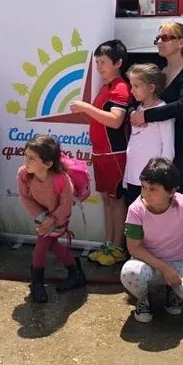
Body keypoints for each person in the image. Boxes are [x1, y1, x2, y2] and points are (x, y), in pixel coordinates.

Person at [121, 158, 183, 323]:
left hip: (180, 262)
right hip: (148, 264)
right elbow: (134, 248)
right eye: (143, 187)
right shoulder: (136, 209)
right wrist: (164, 268)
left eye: (153, 189)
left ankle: (174, 291)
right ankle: (143, 298)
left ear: (171, 192)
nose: (146, 193)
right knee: (130, 273)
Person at [70, 40, 131, 266]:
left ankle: (118, 247)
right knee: (107, 200)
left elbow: (116, 121)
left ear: (118, 63)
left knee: (116, 201)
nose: (99, 67)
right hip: (101, 153)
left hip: (115, 153)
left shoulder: (120, 87)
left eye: (103, 62)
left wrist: (86, 107)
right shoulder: (105, 87)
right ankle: (108, 244)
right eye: (96, 62)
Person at [129, 22, 183, 196]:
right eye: (159, 38)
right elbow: (145, 97)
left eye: (166, 38)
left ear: (181, 42)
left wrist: (146, 116)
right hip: (159, 149)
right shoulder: (161, 72)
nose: (160, 42)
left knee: (179, 199)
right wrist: (135, 111)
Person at [18, 135, 87, 303]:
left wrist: (53, 220)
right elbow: (25, 198)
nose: (26, 161)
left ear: (48, 164)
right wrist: (43, 218)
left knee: (40, 249)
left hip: (60, 218)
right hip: (42, 217)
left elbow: (66, 203)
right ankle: (75, 273)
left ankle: (37, 284)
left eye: (32, 158)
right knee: (52, 245)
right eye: (25, 155)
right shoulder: (23, 174)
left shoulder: (61, 179)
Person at [124, 63, 174, 204]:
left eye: (136, 86)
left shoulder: (162, 110)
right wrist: (127, 177)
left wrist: (161, 178)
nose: (132, 91)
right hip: (133, 177)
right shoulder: (136, 110)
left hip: (152, 181)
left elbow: (168, 148)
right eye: (131, 85)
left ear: (151, 88)